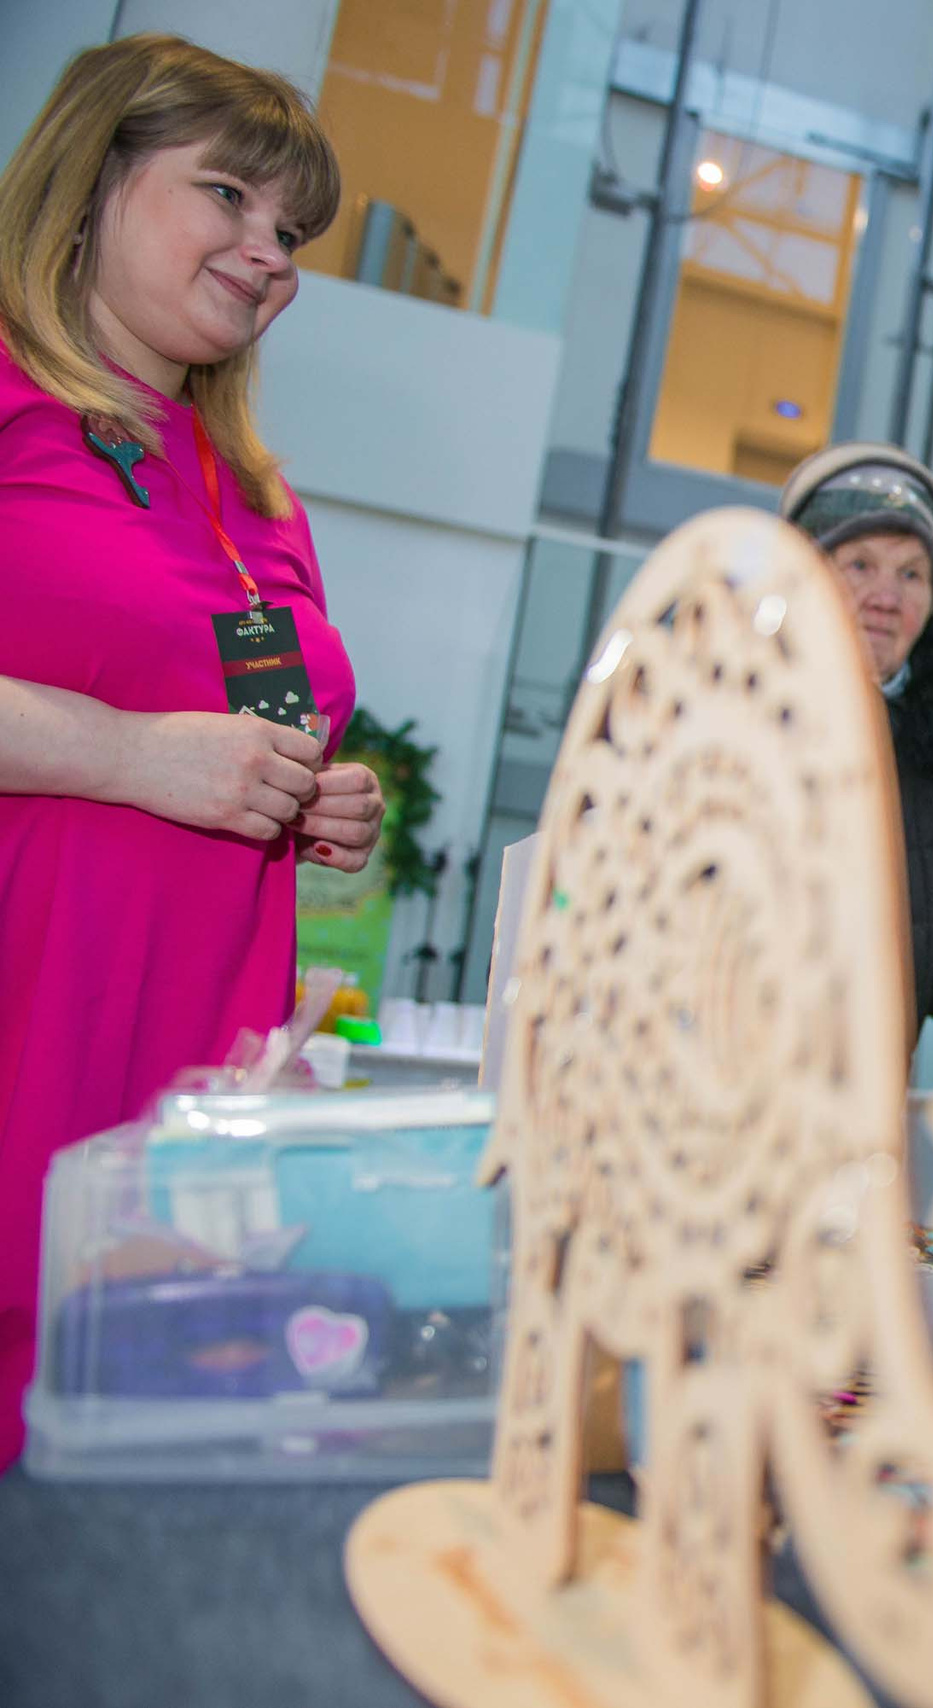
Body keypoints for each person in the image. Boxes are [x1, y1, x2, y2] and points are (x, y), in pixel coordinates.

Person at [0, 36, 384, 1471]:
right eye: (224, 196)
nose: (264, 251)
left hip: (185, 1099)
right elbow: (150, 739)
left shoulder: (256, 492)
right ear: (93, 184)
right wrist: (123, 755)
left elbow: (243, 723)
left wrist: (312, 798)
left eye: (287, 231)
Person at [779, 443, 933, 1045]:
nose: (887, 598)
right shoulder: (710, 699)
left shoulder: (923, 742)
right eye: (859, 564)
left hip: (862, 1108)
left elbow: (930, 939)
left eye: (911, 573)